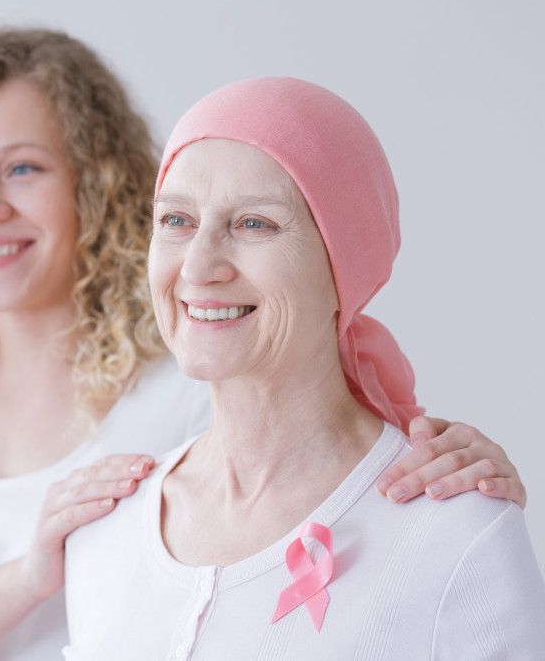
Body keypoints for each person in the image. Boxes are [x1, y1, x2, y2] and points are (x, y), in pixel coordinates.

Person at [0, 24, 526, 661]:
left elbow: (322, 424)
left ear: (97, 187)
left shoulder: (193, 380)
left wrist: (451, 479)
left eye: (22, 167)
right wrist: (34, 570)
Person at [63, 77, 545, 659]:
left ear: (346, 264)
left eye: (254, 224)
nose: (198, 265)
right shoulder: (104, 529)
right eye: (176, 221)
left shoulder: (457, 535)